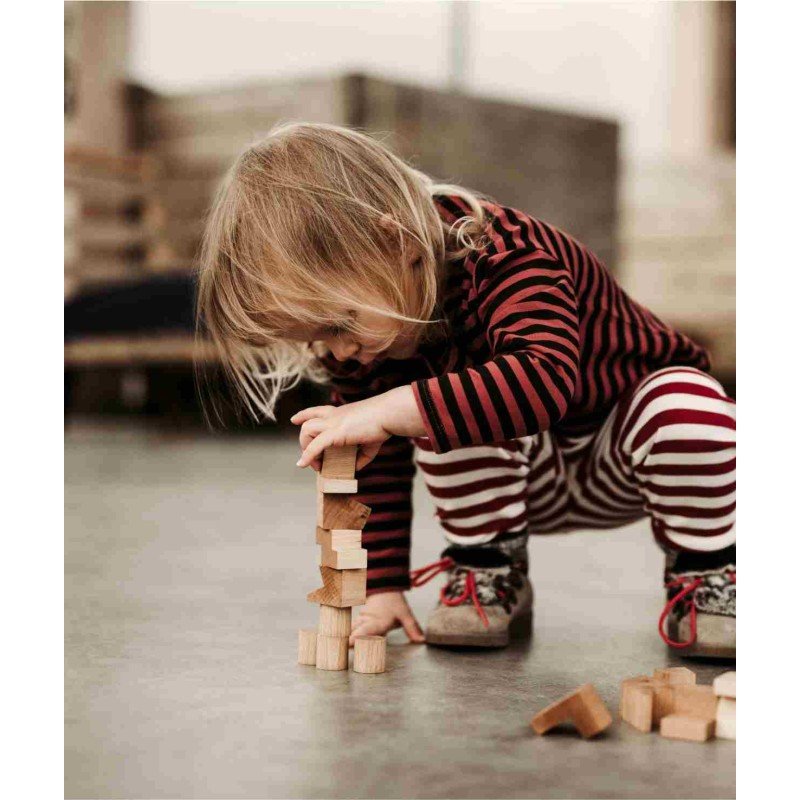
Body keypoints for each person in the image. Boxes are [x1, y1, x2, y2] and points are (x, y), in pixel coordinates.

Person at [197, 122, 735, 658]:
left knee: (684, 403)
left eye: (339, 324)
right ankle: (488, 568)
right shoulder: (364, 341)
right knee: (437, 411)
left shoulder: (508, 254)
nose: (338, 350)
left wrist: (389, 408)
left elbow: (543, 381)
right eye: (317, 338)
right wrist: (382, 589)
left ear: (397, 242)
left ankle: (707, 575)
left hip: (633, 459)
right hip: (528, 481)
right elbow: (374, 467)